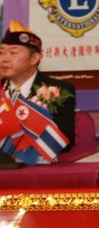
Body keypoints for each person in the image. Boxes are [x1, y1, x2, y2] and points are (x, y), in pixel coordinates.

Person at [0, 20, 75, 150]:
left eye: (13, 53)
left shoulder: (57, 90)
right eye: (1, 52)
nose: (4, 59)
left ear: (34, 59)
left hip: (37, 161)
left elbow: (65, 142)